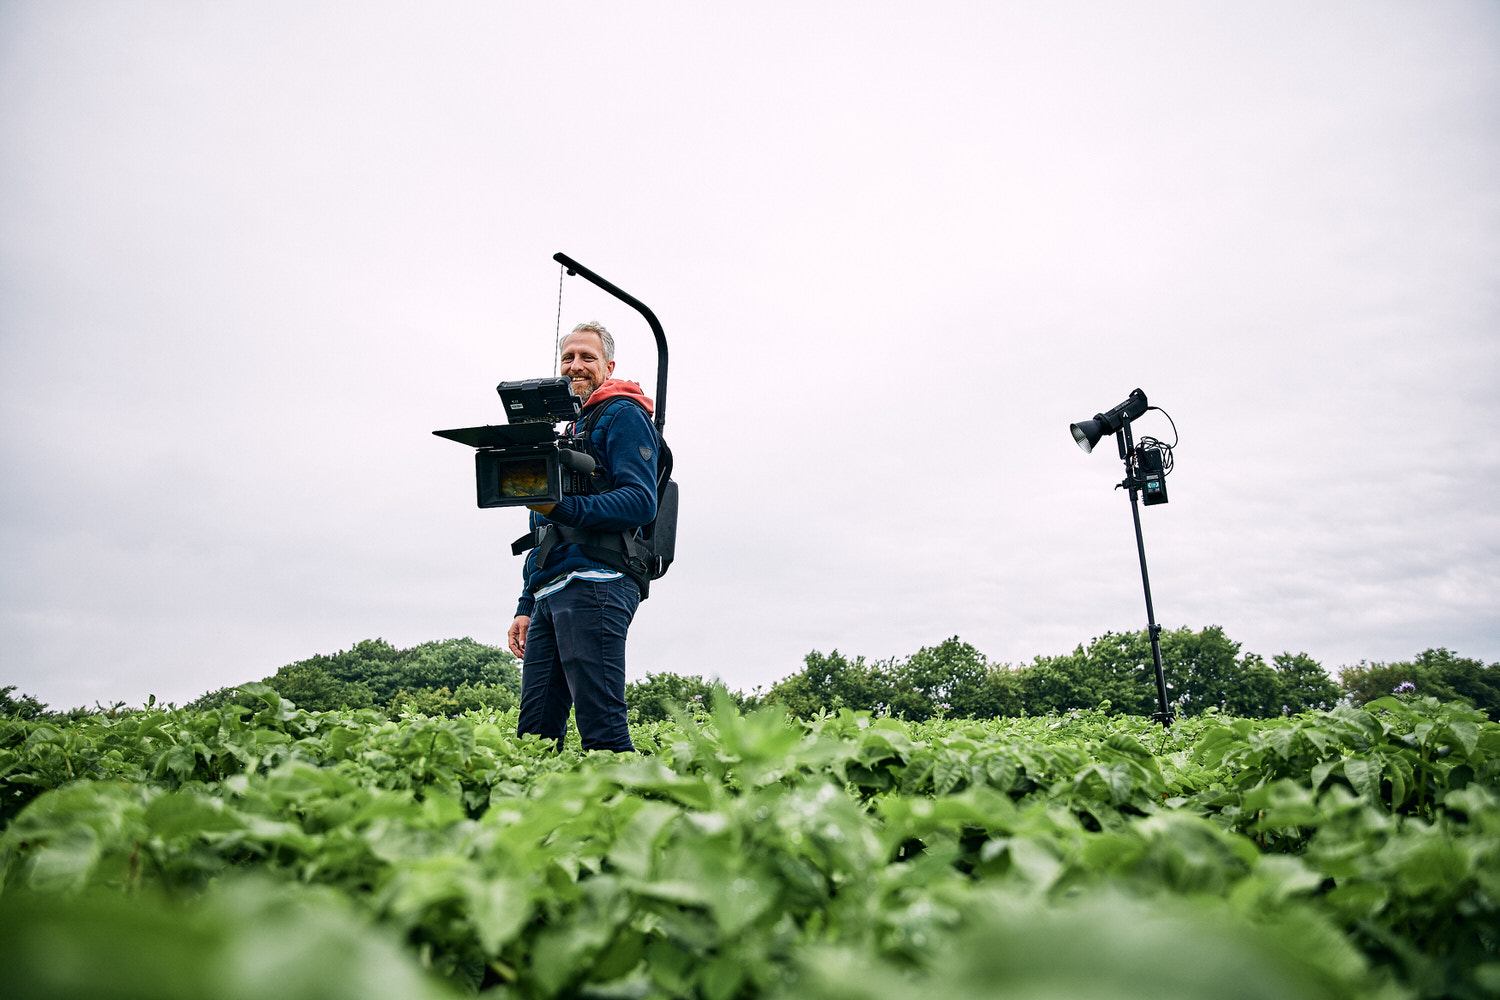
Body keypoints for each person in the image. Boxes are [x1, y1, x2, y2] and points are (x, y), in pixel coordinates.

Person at [506, 321, 659, 752]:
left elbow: (639, 501)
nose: (576, 365)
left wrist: (565, 508)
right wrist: (525, 604)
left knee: (603, 730)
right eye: (568, 357)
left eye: (587, 357)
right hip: (550, 591)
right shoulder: (566, 431)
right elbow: (545, 529)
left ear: (608, 366)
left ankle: (630, 810)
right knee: (534, 735)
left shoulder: (623, 415)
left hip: (599, 582)